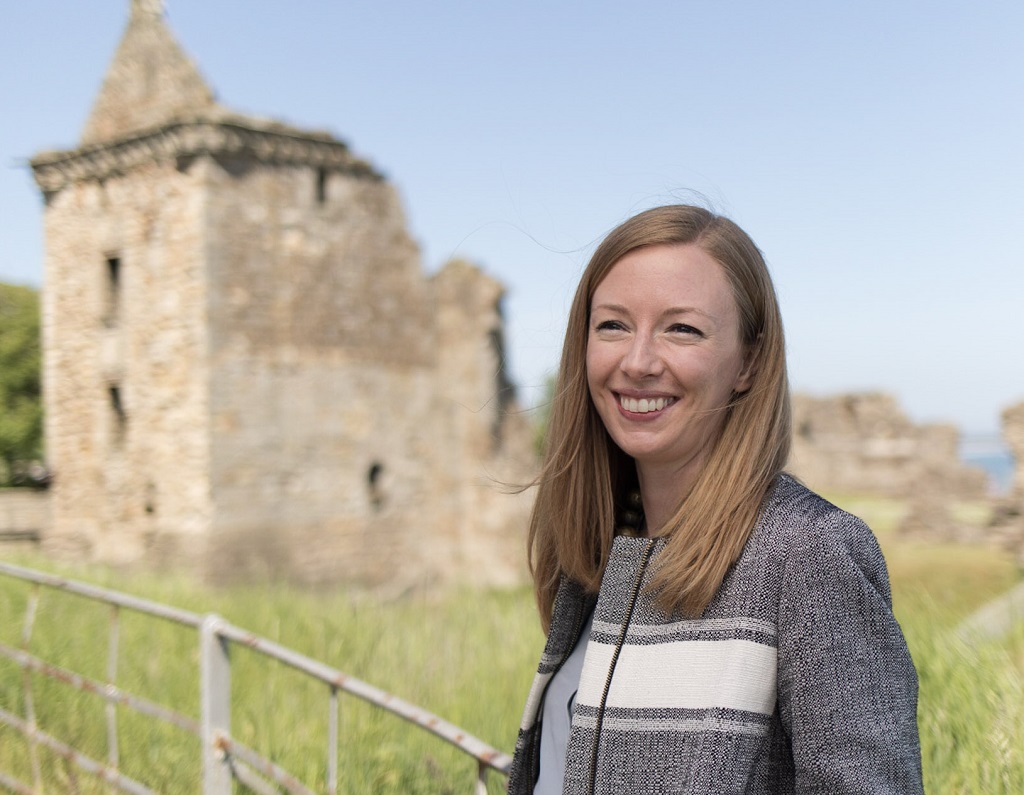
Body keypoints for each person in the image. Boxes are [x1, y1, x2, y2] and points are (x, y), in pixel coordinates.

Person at [507, 205, 923, 795]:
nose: (639, 362)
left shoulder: (809, 553)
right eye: (613, 326)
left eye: (682, 328)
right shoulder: (602, 557)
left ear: (749, 362)